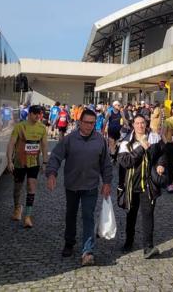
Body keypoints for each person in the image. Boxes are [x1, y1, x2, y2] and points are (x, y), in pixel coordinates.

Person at [46, 108, 114, 266]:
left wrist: (107, 182)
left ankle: (87, 251)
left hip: (90, 186)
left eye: (93, 123)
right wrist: (51, 174)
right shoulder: (69, 139)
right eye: (87, 122)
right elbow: (56, 156)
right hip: (72, 185)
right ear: (79, 122)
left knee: (88, 217)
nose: (90, 126)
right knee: (71, 214)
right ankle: (69, 242)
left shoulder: (99, 140)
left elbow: (106, 164)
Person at [118, 115, 167, 257]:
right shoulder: (126, 142)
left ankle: (148, 247)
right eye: (137, 123)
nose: (140, 126)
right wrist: (141, 148)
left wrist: (161, 164)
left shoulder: (155, 138)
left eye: (143, 123)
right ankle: (129, 241)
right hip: (131, 185)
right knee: (131, 214)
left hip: (148, 184)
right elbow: (125, 162)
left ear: (146, 124)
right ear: (133, 125)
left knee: (148, 215)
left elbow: (162, 154)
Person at [6, 105, 48, 228]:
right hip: (19, 162)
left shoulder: (42, 128)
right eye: (35, 113)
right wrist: (9, 161)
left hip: (33, 163)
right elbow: (11, 144)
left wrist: (45, 162)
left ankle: (28, 216)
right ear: (29, 114)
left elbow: (45, 146)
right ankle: (17, 208)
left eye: (39, 114)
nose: (37, 116)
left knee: (31, 186)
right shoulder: (20, 127)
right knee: (17, 188)